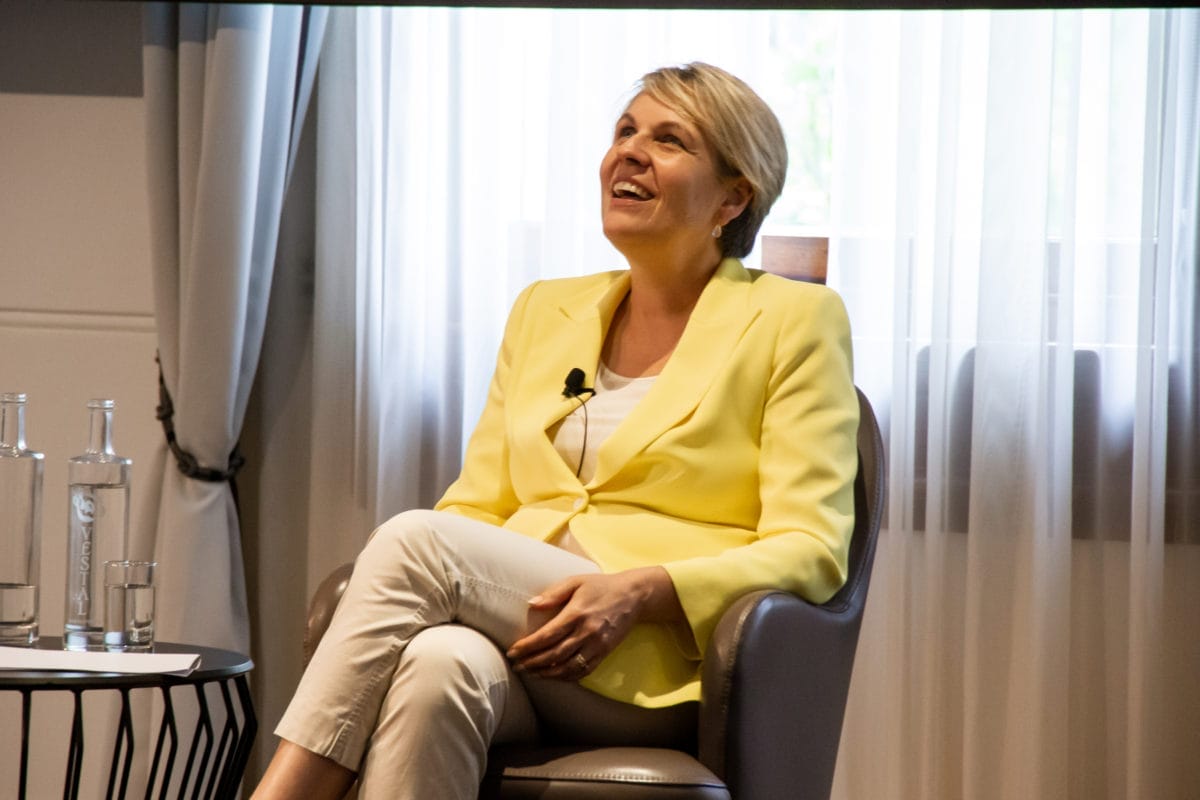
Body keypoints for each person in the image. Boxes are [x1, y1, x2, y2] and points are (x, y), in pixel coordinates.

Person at [252, 61, 858, 800]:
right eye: (625, 131)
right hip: (523, 642)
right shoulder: (544, 310)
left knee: (416, 542)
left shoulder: (794, 320)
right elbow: (476, 506)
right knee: (436, 666)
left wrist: (645, 591)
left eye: (669, 140)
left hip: (653, 663)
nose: (630, 151)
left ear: (733, 197)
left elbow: (812, 550)